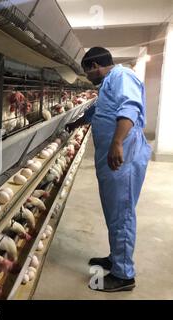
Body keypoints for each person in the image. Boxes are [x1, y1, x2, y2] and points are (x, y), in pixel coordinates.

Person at [67, 47, 152, 292]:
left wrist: (116, 143)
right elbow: (98, 110)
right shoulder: (108, 83)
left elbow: (130, 108)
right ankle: (117, 259)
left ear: (95, 65)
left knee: (122, 213)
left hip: (123, 158)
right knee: (114, 211)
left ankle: (124, 275)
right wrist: (76, 122)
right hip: (111, 161)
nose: (87, 77)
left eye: (87, 72)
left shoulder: (123, 77)